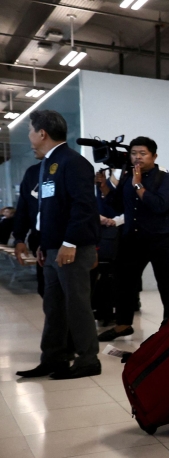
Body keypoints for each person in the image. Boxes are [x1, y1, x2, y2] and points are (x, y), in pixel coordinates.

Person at [12, 110, 101, 379]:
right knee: (53, 307)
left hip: (71, 249)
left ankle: (88, 360)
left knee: (77, 305)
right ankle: (53, 358)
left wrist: (69, 242)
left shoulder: (72, 162)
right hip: (52, 249)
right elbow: (46, 211)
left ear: (42, 133)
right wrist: (42, 243)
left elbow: (84, 207)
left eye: (30, 130)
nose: (29, 136)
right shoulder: (47, 166)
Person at [97, 136, 169, 341]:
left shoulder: (166, 179)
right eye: (134, 153)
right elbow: (118, 207)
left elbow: (160, 205)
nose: (137, 157)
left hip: (161, 240)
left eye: (142, 153)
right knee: (123, 283)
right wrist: (104, 188)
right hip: (132, 239)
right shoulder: (127, 178)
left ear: (154, 156)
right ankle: (123, 324)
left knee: (167, 285)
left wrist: (138, 186)